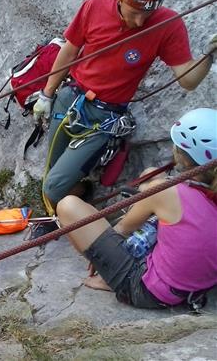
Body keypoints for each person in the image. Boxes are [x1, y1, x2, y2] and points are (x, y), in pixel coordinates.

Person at [32, 0, 216, 235]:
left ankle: (84, 221)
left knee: (54, 184)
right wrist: (47, 94)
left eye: (147, 13)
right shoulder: (94, 6)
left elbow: (188, 80)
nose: (141, 21)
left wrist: (209, 56)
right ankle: (58, 213)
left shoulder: (166, 24)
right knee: (50, 174)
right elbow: (69, 50)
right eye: (134, 12)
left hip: (105, 117)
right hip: (70, 99)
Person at [57, 108, 217, 309]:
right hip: (197, 285)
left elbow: (123, 229)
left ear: (183, 158)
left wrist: (105, 260)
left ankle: (107, 280)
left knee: (68, 206)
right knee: (151, 176)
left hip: (146, 290)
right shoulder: (201, 188)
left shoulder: (167, 192)